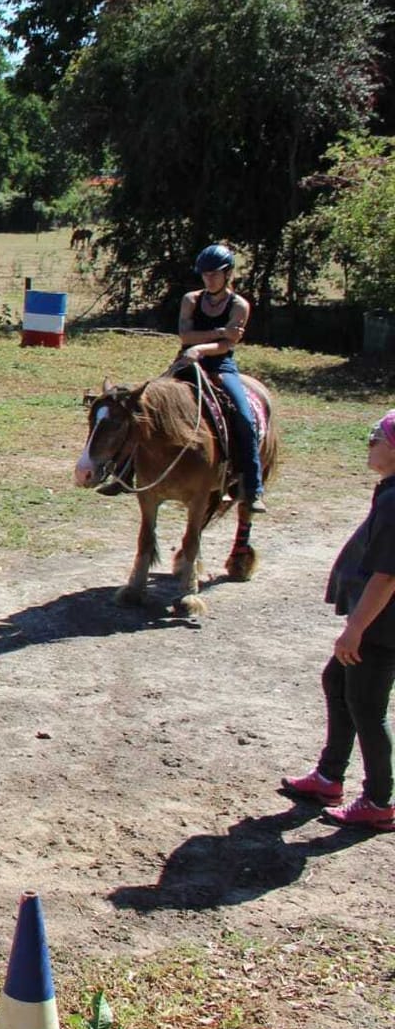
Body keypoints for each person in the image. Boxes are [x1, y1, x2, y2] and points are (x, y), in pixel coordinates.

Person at [281, 409, 395, 830]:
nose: (370, 443)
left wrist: (355, 629)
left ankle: (379, 801)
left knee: (367, 707)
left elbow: (387, 576)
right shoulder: (390, 490)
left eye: (377, 437)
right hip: (377, 624)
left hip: (381, 628)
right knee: (337, 683)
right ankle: (329, 778)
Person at [174, 244, 265, 513]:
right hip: (186, 361)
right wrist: (220, 332)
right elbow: (185, 337)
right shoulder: (191, 299)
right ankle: (126, 469)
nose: (208, 279)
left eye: (214, 274)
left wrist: (202, 346)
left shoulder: (239, 305)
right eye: (205, 274)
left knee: (244, 417)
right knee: (146, 404)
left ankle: (253, 487)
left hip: (220, 364)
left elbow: (228, 345)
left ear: (228, 274)